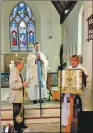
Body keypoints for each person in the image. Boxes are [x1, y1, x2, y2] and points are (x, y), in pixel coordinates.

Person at [61, 55, 88, 126]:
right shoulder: (68, 68)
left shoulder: (82, 69)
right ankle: (66, 122)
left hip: (79, 93)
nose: (73, 62)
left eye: (75, 60)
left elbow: (86, 79)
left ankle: (80, 123)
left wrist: (84, 76)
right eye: (72, 60)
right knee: (66, 105)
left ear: (78, 61)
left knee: (79, 107)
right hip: (68, 92)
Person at [9, 57, 28, 132]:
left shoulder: (19, 72)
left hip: (20, 95)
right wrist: (22, 84)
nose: (23, 65)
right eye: (22, 64)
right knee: (17, 113)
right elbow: (12, 85)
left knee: (21, 111)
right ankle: (17, 128)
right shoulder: (13, 73)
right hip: (16, 97)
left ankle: (21, 124)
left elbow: (21, 83)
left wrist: (25, 91)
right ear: (18, 64)